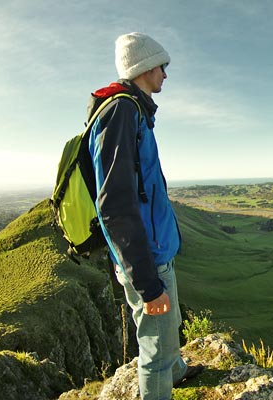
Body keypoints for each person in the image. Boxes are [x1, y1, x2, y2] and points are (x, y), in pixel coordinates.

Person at [87, 32, 202, 400]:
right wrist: (147, 283)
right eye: (161, 66)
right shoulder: (122, 111)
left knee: (170, 324)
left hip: (155, 251)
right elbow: (115, 204)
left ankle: (178, 371)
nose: (165, 75)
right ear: (143, 67)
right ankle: (161, 384)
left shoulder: (132, 110)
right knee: (154, 344)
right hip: (147, 257)